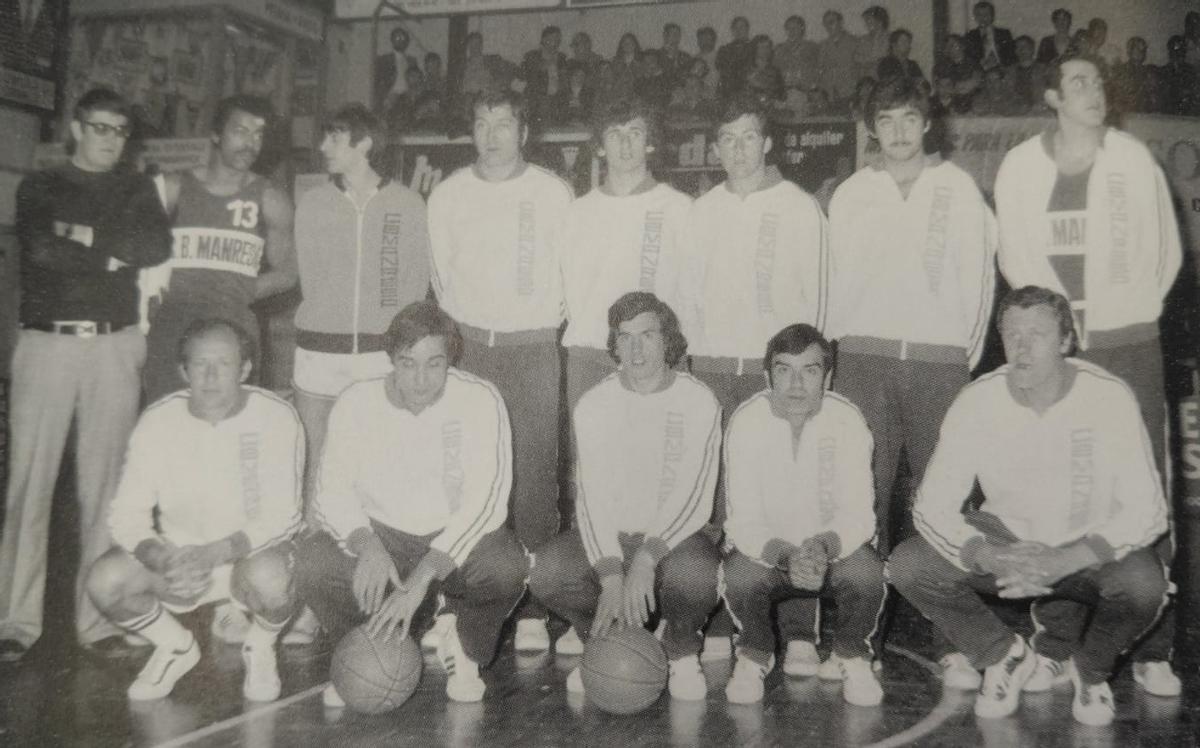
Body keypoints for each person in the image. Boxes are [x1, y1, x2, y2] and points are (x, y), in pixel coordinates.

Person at [889, 286, 1169, 726]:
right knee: (909, 564)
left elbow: (1147, 509)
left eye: (1036, 334)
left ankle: (1092, 671)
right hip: (1009, 542)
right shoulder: (979, 400)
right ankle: (1003, 656)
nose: (1020, 347)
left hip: (1082, 549)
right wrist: (986, 553)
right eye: (1011, 334)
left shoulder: (1107, 396)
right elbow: (931, 505)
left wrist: (1070, 558)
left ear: (1065, 342)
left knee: (1142, 583)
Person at [995, 51, 1183, 699]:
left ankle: (1154, 646)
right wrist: (1056, 336)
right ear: (1051, 96)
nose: (1094, 92)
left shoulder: (1132, 159)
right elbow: (1015, 257)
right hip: (1058, 352)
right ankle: (1056, 642)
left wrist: (1120, 319)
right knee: (1062, 485)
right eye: (1078, 84)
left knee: (1144, 483)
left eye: (1098, 82)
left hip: (1130, 345)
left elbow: (1165, 255)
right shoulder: (1021, 167)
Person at [0, 88, 172, 662]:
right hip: (47, 343)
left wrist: (82, 236)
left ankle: (97, 620)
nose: (109, 139)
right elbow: (42, 251)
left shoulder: (138, 187)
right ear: (76, 128)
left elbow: (151, 245)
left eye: (119, 131)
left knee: (105, 491)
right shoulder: (40, 185)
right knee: (29, 485)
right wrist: (107, 253)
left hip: (113, 344)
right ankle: (15, 623)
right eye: (99, 128)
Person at [297, 301, 528, 705]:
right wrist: (364, 543)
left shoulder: (480, 399)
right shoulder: (356, 402)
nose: (421, 380)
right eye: (408, 364)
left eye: (434, 364)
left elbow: (487, 503)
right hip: (384, 539)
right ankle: (364, 650)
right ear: (391, 360)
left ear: (451, 359)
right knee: (313, 563)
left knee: (506, 565)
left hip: (453, 541)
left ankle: (464, 645)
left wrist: (422, 578)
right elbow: (330, 490)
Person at [680, 93, 828, 663]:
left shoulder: (798, 207)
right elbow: (688, 299)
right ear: (716, 147)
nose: (738, 150)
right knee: (718, 502)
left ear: (768, 142)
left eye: (749, 137)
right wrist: (693, 372)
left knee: (785, 496)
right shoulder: (703, 210)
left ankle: (797, 632)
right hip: (713, 369)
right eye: (728, 139)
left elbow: (814, 303)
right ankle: (719, 623)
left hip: (777, 376)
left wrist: (800, 379)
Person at [85, 319, 302, 701]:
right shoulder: (158, 421)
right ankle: (175, 645)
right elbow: (126, 515)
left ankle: (260, 645)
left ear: (246, 368)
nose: (212, 375)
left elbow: (284, 514)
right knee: (106, 580)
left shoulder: (276, 416)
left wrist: (216, 552)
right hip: (181, 564)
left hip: (245, 557)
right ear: (183, 371)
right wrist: (162, 558)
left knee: (276, 578)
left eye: (224, 363)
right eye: (200, 364)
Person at [427, 90, 572, 653]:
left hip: (533, 346)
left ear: (525, 131)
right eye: (482, 124)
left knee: (535, 477)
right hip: (469, 349)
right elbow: (441, 280)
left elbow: (567, 275)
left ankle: (535, 606)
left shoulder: (552, 192)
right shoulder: (446, 196)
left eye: (504, 124)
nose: (492, 135)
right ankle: (455, 598)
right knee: (461, 475)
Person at [828, 75, 996, 556]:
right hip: (864, 361)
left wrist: (960, 358)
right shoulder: (852, 194)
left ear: (926, 125)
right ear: (872, 131)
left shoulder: (959, 188)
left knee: (942, 494)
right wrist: (844, 352)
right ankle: (867, 619)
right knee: (862, 490)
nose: (898, 131)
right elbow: (834, 278)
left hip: (938, 364)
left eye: (908, 119)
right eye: (886, 120)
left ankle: (940, 614)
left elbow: (980, 279)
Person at [529, 292, 721, 701]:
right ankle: (602, 641)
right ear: (613, 345)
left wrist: (648, 557)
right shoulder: (595, 403)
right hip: (614, 539)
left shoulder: (698, 400)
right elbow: (590, 499)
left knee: (698, 576)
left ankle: (682, 650)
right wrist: (611, 574)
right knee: (546, 571)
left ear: (667, 339)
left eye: (647, 335)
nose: (636, 349)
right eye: (625, 337)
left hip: (673, 541)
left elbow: (694, 497)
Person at [722, 324, 885, 706]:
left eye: (810, 371)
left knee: (866, 570)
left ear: (827, 378)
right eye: (784, 370)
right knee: (739, 573)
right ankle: (754, 655)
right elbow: (742, 520)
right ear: (767, 376)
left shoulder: (848, 419)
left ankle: (850, 654)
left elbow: (861, 515)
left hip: (829, 554)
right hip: (772, 556)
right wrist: (785, 554)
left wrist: (822, 547)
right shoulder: (747, 421)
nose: (796, 384)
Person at [292, 103, 430, 510]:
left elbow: (413, 286)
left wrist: (392, 341)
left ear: (364, 144)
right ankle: (314, 553)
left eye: (334, 137)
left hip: (377, 355)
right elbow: (310, 276)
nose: (323, 146)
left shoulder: (407, 204)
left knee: (380, 461)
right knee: (315, 461)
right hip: (318, 354)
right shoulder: (313, 203)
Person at [143, 95, 296, 404]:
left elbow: (289, 273)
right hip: (173, 324)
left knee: (228, 431)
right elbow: (134, 256)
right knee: (167, 425)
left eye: (258, 135)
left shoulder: (271, 199)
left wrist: (242, 289)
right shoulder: (173, 188)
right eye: (240, 131)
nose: (250, 143)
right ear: (215, 134)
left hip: (234, 326)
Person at [561, 98, 692, 412]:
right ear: (600, 147)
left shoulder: (679, 208)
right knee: (591, 461)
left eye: (634, 132)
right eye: (614, 133)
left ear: (650, 144)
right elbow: (568, 292)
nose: (624, 142)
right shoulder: (578, 212)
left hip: (656, 358)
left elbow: (691, 293)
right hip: (591, 356)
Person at [817, 10, 860, 106]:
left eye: (832, 22)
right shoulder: (822, 45)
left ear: (841, 22)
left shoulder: (855, 42)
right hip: (829, 93)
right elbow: (820, 70)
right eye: (825, 24)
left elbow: (860, 68)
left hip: (850, 91)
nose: (828, 26)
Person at [375, 26, 420, 114]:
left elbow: (416, 79)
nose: (400, 40)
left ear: (406, 41)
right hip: (391, 94)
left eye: (403, 38)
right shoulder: (384, 59)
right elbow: (378, 80)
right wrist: (385, 95)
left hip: (407, 94)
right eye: (397, 37)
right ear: (392, 40)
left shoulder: (412, 60)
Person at [964, 1, 1016, 71]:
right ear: (975, 17)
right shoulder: (970, 36)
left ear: (992, 16)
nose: (983, 18)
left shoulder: (1004, 34)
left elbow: (1011, 56)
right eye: (979, 15)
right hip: (980, 72)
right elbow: (968, 59)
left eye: (986, 14)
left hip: (1002, 71)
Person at [774, 15, 819, 93]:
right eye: (788, 28)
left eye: (795, 28)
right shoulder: (778, 49)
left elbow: (820, 69)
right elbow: (774, 72)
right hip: (784, 92)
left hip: (806, 91)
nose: (791, 31)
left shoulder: (812, 47)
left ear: (802, 28)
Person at [716, 16, 754, 99]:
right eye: (735, 28)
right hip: (729, 91)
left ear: (747, 29)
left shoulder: (755, 48)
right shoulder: (724, 50)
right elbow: (722, 71)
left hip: (750, 90)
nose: (738, 31)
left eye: (741, 27)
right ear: (732, 31)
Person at [856, 6, 891, 82]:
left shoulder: (890, 38)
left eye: (869, 20)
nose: (866, 23)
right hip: (865, 79)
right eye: (865, 21)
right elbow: (857, 58)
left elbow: (883, 58)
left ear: (880, 21)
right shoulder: (862, 39)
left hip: (884, 79)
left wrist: (868, 62)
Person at [656, 23, 692, 88]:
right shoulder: (656, 55)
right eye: (673, 34)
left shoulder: (686, 57)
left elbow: (688, 76)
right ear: (665, 35)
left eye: (678, 35)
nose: (676, 37)